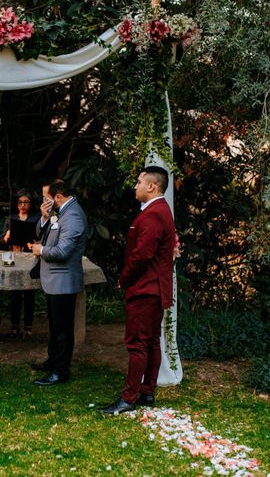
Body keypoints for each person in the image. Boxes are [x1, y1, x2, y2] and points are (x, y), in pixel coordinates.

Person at [100, 166, 175, 414]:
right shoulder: (161, 210)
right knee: (151, 342)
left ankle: (128, 398)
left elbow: (142, 254)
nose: (136, 186)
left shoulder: (154, 214)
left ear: (151, 186)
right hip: (155, 288)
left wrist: (124, 278)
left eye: (139, 182)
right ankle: (147, 392)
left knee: (138, 344)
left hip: (145, 289)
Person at [30, 180, 87, 386]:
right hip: (54, 280)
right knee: (55, 326)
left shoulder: (72, 217)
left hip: (63, 280)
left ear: (59, 197)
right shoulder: (60, 212)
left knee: (62, 329)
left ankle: (60, 371)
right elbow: (41, 234)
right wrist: (45, 218)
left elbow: (63, 252)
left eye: (48, 198)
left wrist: (41, 250)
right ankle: (53, 360)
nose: (46, 202)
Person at [1, 189, 40, 338]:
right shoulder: (11, 218)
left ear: (30, 203)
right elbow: (2, 240)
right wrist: (6, 236)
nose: (23, 205)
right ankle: (15, 327)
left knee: (29, 292)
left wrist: (35, 242)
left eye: (26, 202)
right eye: (20, 202)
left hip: (29, 257)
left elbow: (40, 237)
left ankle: (28, 327)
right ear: (16, 203)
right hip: (12, 256)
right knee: (15, 292)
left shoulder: (36, 218)